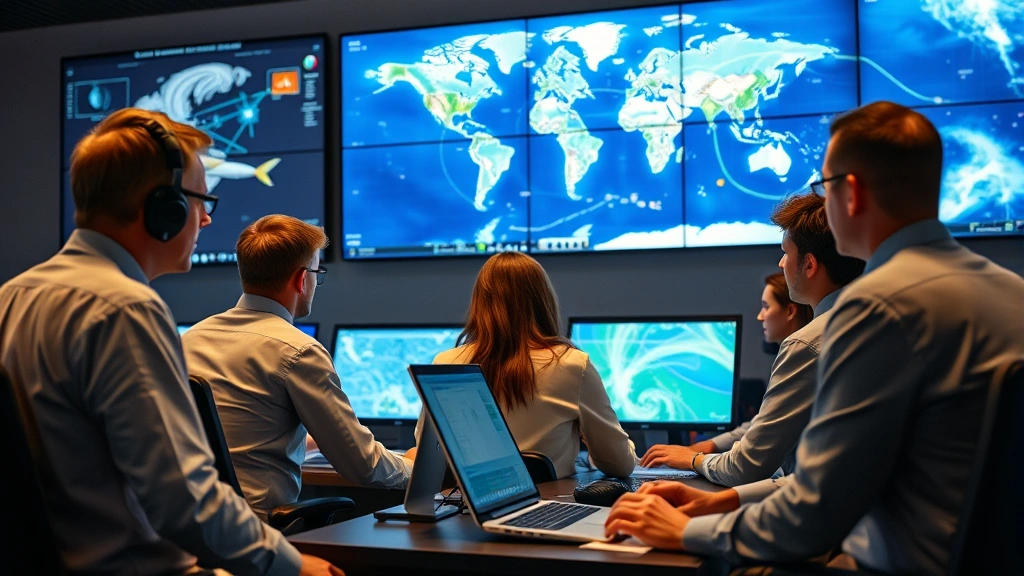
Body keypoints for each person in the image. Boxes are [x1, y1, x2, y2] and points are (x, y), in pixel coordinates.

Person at [605, 101, 1024, 575]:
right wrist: (721, 501)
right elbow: (844, 479)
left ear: (852, 193)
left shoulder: (872, 310)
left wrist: (685, 530)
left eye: (824, 186)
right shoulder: (1011, 292)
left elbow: (813, 515)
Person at [0, 109, 341, 575]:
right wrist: (291, 565)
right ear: (164, 208)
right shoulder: (124, 309)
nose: (205, 219)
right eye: (201, 200)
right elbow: (184, 500)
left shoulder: (11, 297)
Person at [183, 215, 411, 520]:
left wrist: (309, 441)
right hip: (258, 528)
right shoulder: (297, 350)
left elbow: (235, 436)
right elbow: (363, 465)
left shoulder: (190, 339)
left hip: (189, 521)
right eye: (317, 272)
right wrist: (414, 468)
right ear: (302, 280)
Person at [641, 193, 864, 488]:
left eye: (785, 253)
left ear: (809, 265)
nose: (781, 263)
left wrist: (693, 459)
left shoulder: (807, 344)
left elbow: (745, 467)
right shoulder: (876, 321)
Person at [417, 251, 636, 479]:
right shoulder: (571, 365)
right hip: (550, 500)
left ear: (480, 302)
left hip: (464, 501)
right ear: (543, 300)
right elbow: (619, 464)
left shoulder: (446, 363)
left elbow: (427, 450)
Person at [683, 272, 813, 458]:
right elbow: (763, 423)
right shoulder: (794, 356)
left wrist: (695, 460)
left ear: (790, 311)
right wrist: (712, 444)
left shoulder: (799, 360)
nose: (760, 316)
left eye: (766, 307)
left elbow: (758, 445)